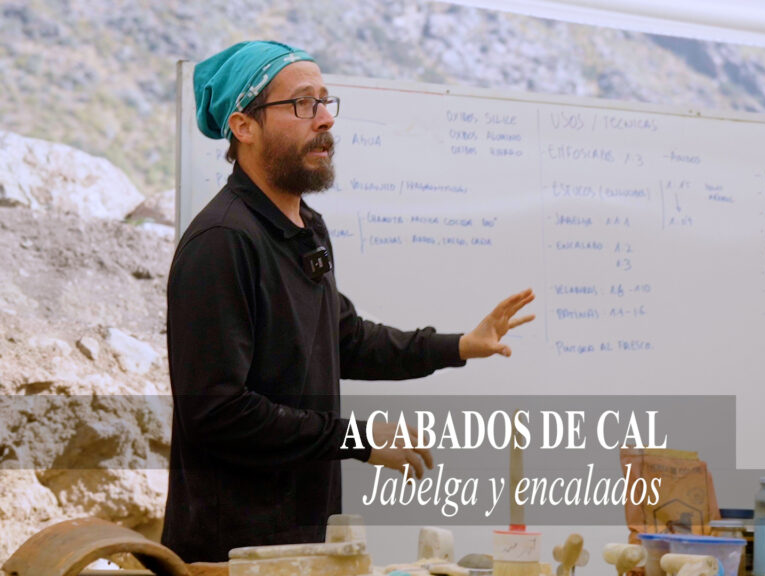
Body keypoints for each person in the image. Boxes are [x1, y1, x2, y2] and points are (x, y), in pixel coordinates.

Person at [162, 41, 535, 563]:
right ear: (244, 126)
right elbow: (218, 412)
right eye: (301, 103)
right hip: (231, 555)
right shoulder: (222, 242)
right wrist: (358, 438)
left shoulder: (306, 229)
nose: (324, 119)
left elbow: (345, 339)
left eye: (324, 101)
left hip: (303, 543)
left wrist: (458, 346)